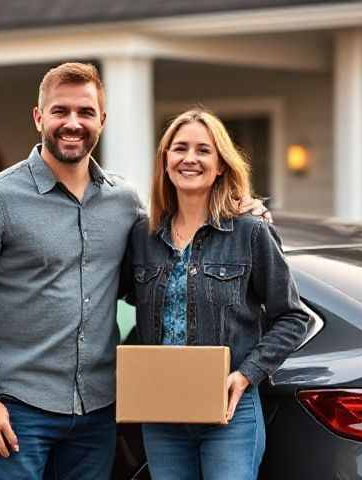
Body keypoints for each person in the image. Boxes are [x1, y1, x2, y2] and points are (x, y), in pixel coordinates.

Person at [0, 62, 270, 480]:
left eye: (85, 112)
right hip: (18, 411)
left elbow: (172, 263)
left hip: (97, 413)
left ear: (102, 121)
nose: (72, 123)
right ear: (39, 118)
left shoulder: (124, 202)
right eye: (60, 111)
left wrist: (242, 211)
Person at [123, 109, 310, 480]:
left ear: (221, 165)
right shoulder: (142, 237)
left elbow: (292, 317)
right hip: (161, 410)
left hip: (229, 411)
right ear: (165, 161)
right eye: (179, 149)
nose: (190, 159)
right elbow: (100, 291)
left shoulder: (250, 232)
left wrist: (245, 375)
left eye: (203, 150)